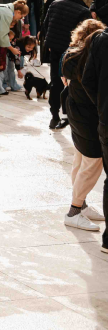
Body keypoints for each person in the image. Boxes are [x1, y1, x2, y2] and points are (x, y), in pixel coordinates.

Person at [59, 19, 107, 231]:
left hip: (75, 111)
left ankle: (82, 205)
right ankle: (74, 211)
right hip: (88, 115)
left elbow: (65, 82)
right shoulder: (89, 56)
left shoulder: (71, 54)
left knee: (80, 159)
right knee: (92, 163)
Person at [42, 0, 91, 128]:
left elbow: (46, 25)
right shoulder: (84, 11)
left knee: (55, 82)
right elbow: (83, 36)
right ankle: (69, 116)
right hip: (72, 53)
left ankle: (54, 115)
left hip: (54, 49)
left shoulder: (55, 4)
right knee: (72, 84)